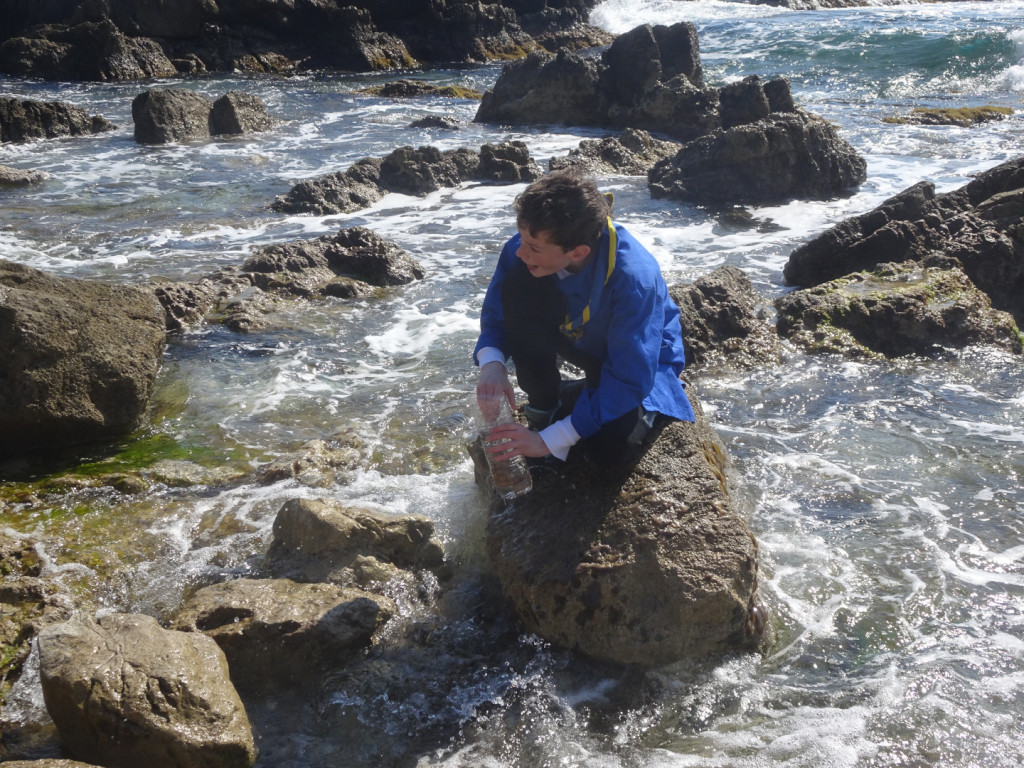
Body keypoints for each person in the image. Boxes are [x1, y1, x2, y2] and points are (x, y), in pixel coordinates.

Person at [474, 168, 695, 467]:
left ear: (578, 253)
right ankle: (545, 405)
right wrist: (492, 365)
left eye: (533, 247)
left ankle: (617, 402)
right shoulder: (526, 246)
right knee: (518, 284)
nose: (520, 252)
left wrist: (551, 440)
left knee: (609, 452)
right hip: (578, 335)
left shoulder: (634, 278)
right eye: (522, 238)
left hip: (637, 358)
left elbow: (631, 374)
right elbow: (499, 312)